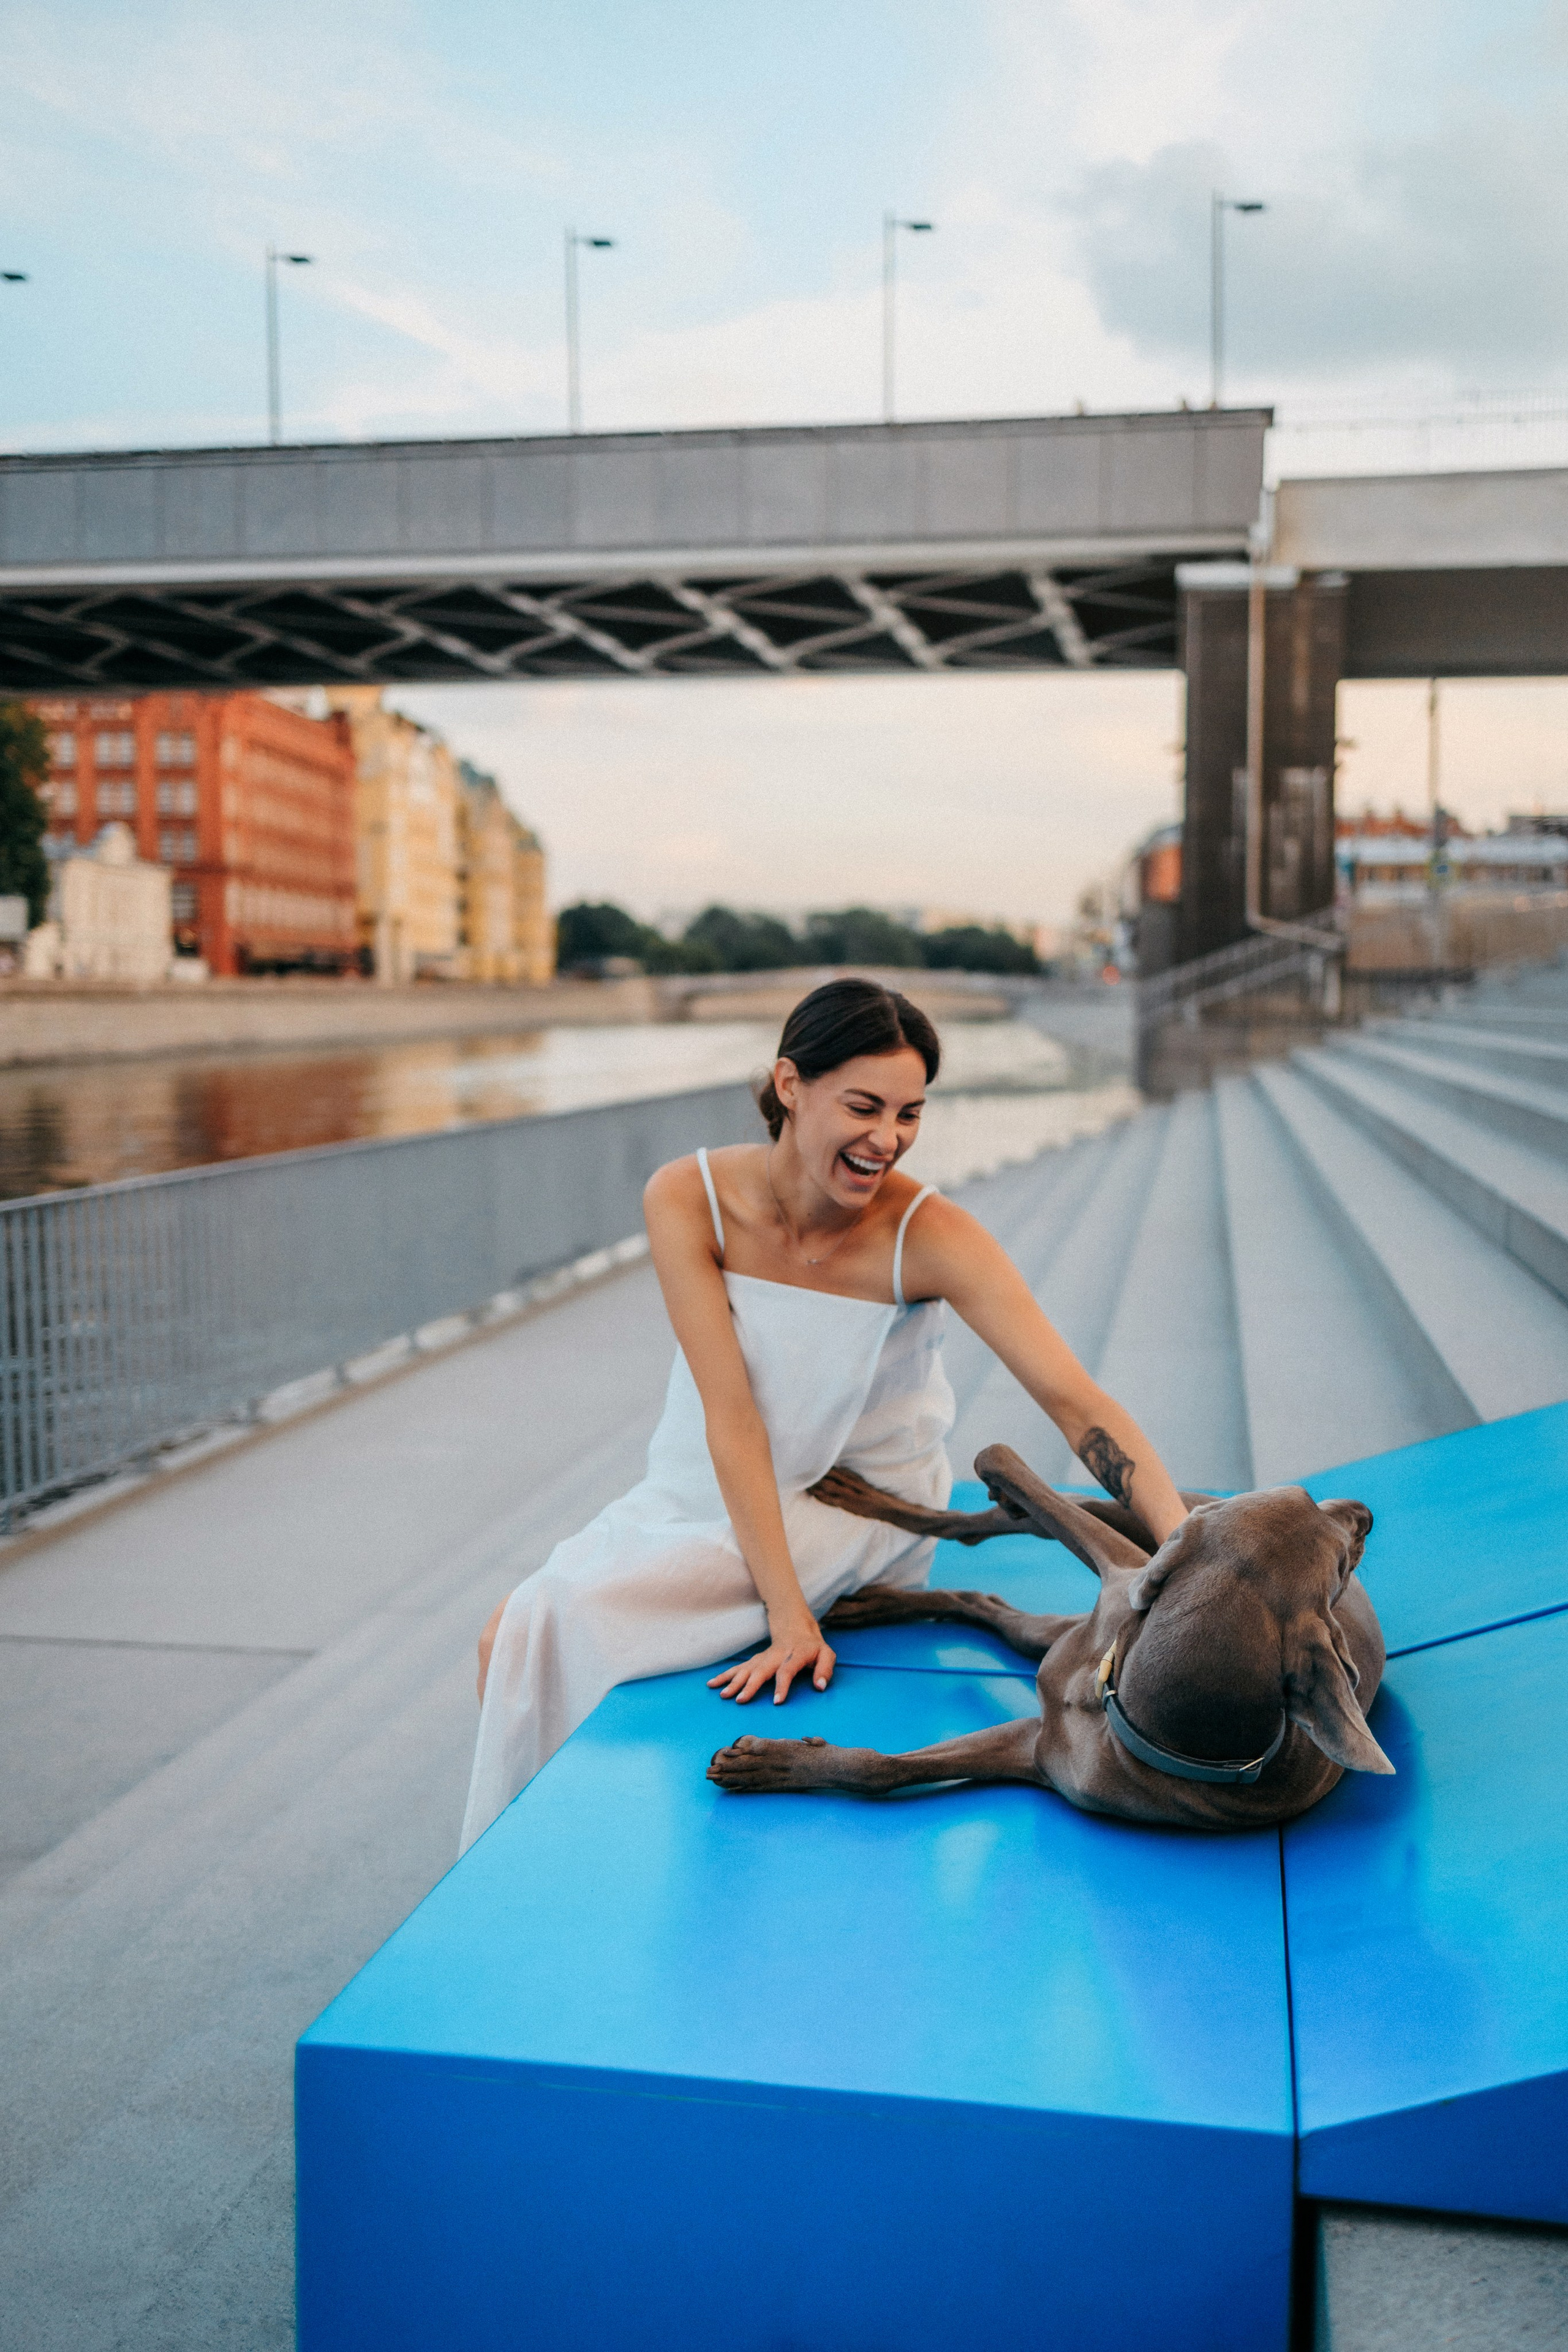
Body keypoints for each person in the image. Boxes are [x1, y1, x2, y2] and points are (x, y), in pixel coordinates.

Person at [460, 976, 1187, 1853]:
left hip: (857, 1505)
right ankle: (524, 1858)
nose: (888, 1140)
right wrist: (788, 1614)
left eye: (910, 1113)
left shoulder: (931, 1235)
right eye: (864, 1106)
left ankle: (545, 1854)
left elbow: (1076, 1401)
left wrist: (1183, 1549)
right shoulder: (685, 1198)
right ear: (790, 1085)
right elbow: (730, 1418)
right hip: (704, 1485)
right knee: (505, 1637)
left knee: (541, 1625)